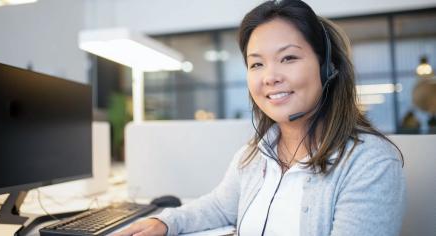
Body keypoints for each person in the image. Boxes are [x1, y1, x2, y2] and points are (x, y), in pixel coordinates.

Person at [114, 0, 406, 235]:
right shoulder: (256, 152)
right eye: (256, 64)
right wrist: (166, 223)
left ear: (327, 68)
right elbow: (220, 206)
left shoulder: (370, 162)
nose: (270, 77)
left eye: (288, 58)